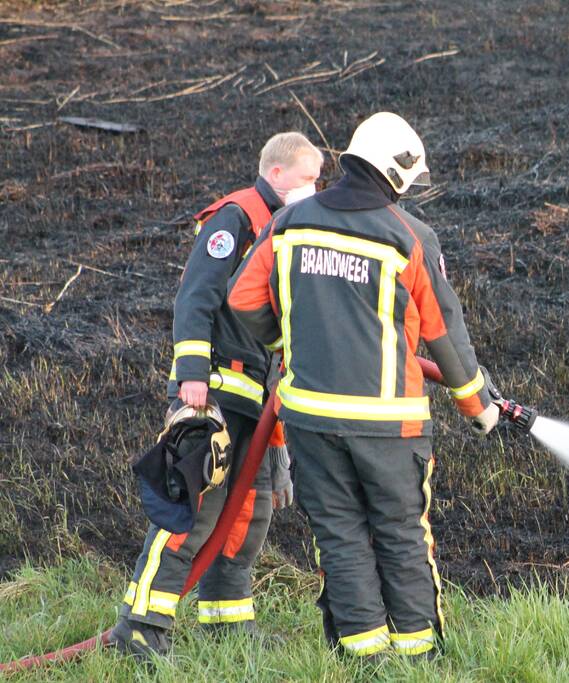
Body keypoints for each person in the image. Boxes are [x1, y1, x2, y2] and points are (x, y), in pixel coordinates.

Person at [227, 112, 500, 661]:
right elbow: (445, 334)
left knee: (340, 534)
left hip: (309, 418)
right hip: (389, 425)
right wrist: (479, 407)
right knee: (401, 534)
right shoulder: (410, 236)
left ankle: (364, 658)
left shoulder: (291, 222)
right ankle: (419, 656)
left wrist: (286, 346)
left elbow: (242, 299)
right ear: (396, 173)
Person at [111, 132, 324, 658]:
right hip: (215, 392)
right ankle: (141, 625)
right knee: (195, 511)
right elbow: (196, 298)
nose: (315, 190)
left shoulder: (290, 228)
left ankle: (228, 620)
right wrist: (192, 377)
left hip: (257, 400)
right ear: (275, 174)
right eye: (307, 180)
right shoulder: (236, 220)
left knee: (248, 513)